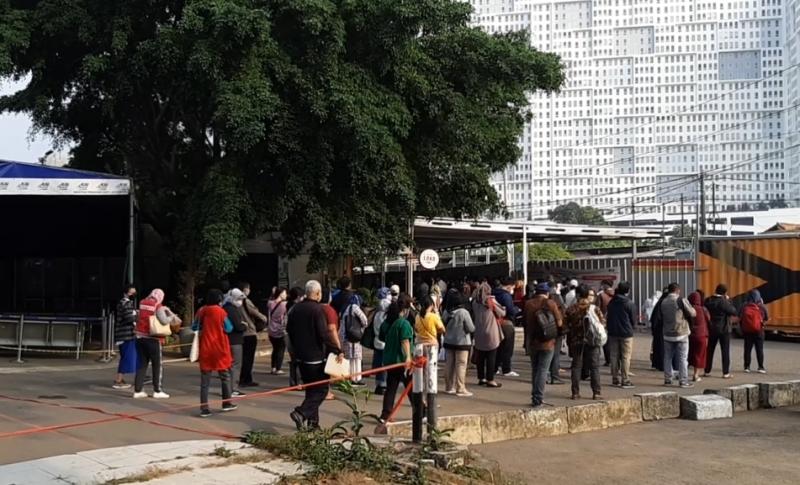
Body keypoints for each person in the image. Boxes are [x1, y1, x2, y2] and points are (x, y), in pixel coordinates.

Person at [287, 280, 343, 430]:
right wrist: (337, 350)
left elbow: (289, 331)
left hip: (300, 356)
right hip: (315, 357)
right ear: (317, 294)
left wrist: (294, 351)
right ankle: (301, 413)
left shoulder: (295, 309)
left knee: (311, 390)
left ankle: (313, 424)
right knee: (322, 389)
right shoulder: (317, 310)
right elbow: (323, 334)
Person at [192, 289, 238, 417]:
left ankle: (204, 408)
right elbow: (229, 328)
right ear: (219, 300)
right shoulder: (221, 312)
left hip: (206, 348)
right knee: (225, 377)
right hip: (220, 348)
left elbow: (194, 327)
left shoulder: (201, 311)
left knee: (205, 381)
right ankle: (226, 403)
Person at [133, 289, 179, 399]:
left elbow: (137, 317)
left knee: (142, 364)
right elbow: (164, 321)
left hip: (139, 337)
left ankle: (138, 390)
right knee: (157, 365)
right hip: (153, 338)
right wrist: (171, 316)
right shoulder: (157, 306)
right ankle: (157, 390)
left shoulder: (142, 302)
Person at [524, 283, 563, 407]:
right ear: (547, 293)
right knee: (543, 370)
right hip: (548, 342)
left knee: (535, 370)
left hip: (533, 341)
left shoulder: (528, 304)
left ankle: (534, 397)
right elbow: (559, 322)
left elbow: (526, 322)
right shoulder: (550, 303)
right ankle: (538, 398)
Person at [565, 284, 605, 400]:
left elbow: (565, 326)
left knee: (576, 367)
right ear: (587, 295)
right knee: (594, 368)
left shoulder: (571, 309)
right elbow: (602, 323)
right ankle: (596, 392)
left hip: (576, 342)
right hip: (592, 341)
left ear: (577, 295)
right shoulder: (594, 309)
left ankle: (575, 393)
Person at [379, 295, 414, 423]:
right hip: (401, 360)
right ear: (405, 309)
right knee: (411, 387)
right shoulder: (403, 324)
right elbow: (405, 341)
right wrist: (408, 358)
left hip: (390, 359)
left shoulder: (387, 322)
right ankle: (421, 411)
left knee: (391, 388)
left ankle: (385, 414)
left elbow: (381, 337)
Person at [660, 283, 696, 388]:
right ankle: (683, 381)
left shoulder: (663, 301)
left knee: (667, 357)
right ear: (678, 290)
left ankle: (668, 379)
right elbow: (693, 313)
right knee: (683, 358)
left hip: (667, 333)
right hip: (681, 333)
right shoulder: (681, 300)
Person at [471, 282, 506, 388]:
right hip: (491, 332)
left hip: (479, 331)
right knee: (491, 356)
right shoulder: (491, 301)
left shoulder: (475, 302)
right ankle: (490, 379)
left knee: (480, 356)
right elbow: (502, 313)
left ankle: (481, 378)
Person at [442, 290, 475, 397]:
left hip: (448, 341)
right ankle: (460, 388)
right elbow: (471, 328)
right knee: (461, 365)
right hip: (462, 342)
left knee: (449, 364)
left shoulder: (446, 312)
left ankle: (448, 387)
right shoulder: (463, 312)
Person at [606, 281, 636, 389]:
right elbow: (633, 320)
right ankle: (625, 379)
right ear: (627, 291)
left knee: (614, 356)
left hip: (613, 332)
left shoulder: (612, 302)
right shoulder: (629, 303)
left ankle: (615, 379)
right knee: (625, 357)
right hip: (626, 333)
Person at [704, 284, 738, 378]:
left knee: (710, 350)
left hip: (711, 328)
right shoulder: (723, 302)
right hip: (724, 329)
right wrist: (728, 300)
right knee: (725, 351)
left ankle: (707, 370)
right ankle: (725, 373)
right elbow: (733, 311)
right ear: (725, 293)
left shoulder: (708, 300)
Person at [239, 282, 267, 388]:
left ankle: (243, 378)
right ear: (245, 289)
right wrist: (264, 318)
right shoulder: (245, 301)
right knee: (248, 358)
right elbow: (255, 312)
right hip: (249, 331)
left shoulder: (233, 302)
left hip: (241, 332)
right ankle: (246, 379)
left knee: (243, 358)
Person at [493, 276, 521, 377]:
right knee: (507, 347)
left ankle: (495, 368)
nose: (513, 290)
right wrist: (517, 310)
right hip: (506, 323)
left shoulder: (494, 293)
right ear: (509, 286)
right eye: (513, 287)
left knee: (498, 346)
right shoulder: (506, 296)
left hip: (495, 322)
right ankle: (506, 369)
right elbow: (510, 310)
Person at [339, 293, 369, 385]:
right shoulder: (355, 307)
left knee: (350, 359)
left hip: (347, 337)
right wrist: (362, 329)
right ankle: (357, 378)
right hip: (355, 337)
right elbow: (364, 320)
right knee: (357, 358)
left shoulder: (346, 309)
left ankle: (351, 378)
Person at [223, 289, 248, 397]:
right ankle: (233, 389)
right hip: (235, 340)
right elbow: (238, 326)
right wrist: (244, 325)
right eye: (238, 299)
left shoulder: (224, 308)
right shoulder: (232, 310)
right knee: (236, 365)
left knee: (228, 365)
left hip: (227, 340)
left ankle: (228, 389)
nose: (240, 302)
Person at [113, 285, 138, 389]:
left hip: (121, 333)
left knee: (125, 356)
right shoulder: (126, 303)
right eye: (131, 293)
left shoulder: (121, 303)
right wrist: (138, 315)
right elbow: (129, 318)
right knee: (127, 357)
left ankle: (120, 378)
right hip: (127, 334)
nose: (133, 295)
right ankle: (118, 380)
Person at [741, 289, 769, 374]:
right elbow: (766, 318)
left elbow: (740, 316)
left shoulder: (744, 306)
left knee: (747, 349)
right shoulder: (762, 306)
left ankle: (747, 367)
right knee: (759, 349)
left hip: (747, 331)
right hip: (759, 331)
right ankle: (760, 367)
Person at [371, 288, 392, 395]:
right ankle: (383, 385)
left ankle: (379, 384)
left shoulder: (376, 313)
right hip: (385, 343)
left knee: (379, 364)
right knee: (385, 365)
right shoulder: (386, 315)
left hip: (377, 341)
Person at [688, 292, 711, 382]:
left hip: (690, 335)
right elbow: (708, 319)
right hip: (701, 335)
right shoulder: (703, 309)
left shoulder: (688, 309)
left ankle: (683, 373)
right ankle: (696, 375)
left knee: (688, 354)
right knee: (699, 355)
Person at [267, 287, 288, 375]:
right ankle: (278, 368)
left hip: (271, 329)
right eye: (285, 293)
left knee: (275, 349)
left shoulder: (270, 303)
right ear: (281, 294)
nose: (286, 295)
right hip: (280, 329)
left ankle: (273, 367)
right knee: (281, 349)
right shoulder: (284, 305)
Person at [649, 288, 669, 371]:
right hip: (661, 329)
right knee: (661, 348)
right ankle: (661, 365)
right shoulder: (663, 303)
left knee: (659, 348)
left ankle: (659, 364)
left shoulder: (659, 303)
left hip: (659, 330)